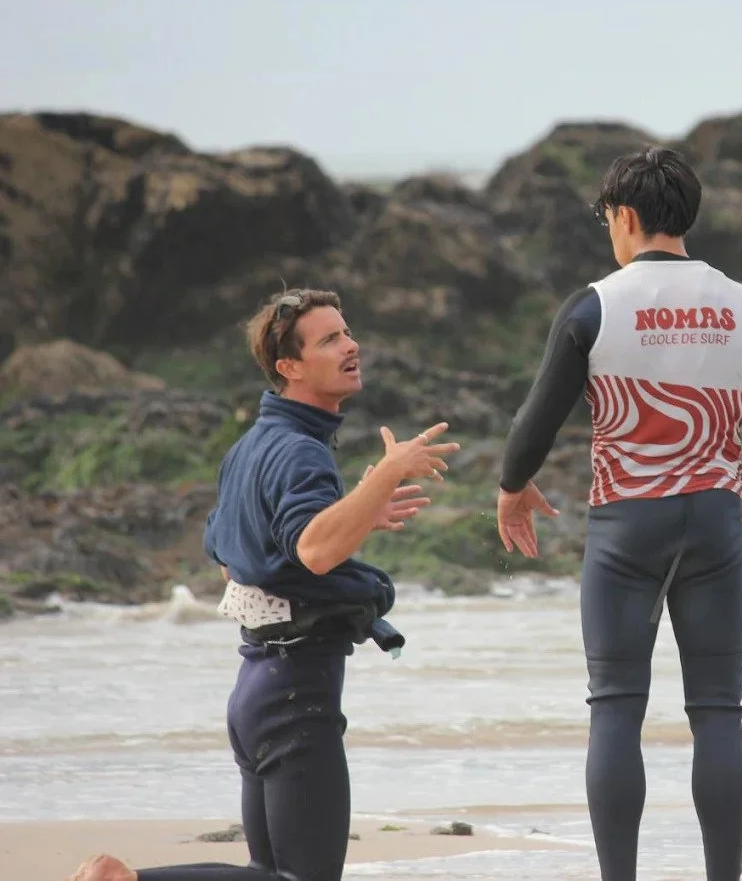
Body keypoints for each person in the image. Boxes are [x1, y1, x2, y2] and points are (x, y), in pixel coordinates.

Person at [64, 288, 459, 881]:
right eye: (329, 339)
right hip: (297, 693)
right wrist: (384, 479)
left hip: (258, 690)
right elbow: (315, 550)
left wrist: (357, 512)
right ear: (289, 367)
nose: (351, 345)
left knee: (266, 872)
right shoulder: (301, 454)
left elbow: (233, 558)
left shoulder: (247, 449)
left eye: (347, 333)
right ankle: (124, 880)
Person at [494, 146, 742, 881]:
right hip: (713, 526)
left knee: (615, 710)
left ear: (626, 217)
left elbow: (531, 431)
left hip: (627, 525)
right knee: (718, 712)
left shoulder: (595, 307)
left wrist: (512, 488)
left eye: (608, 218)